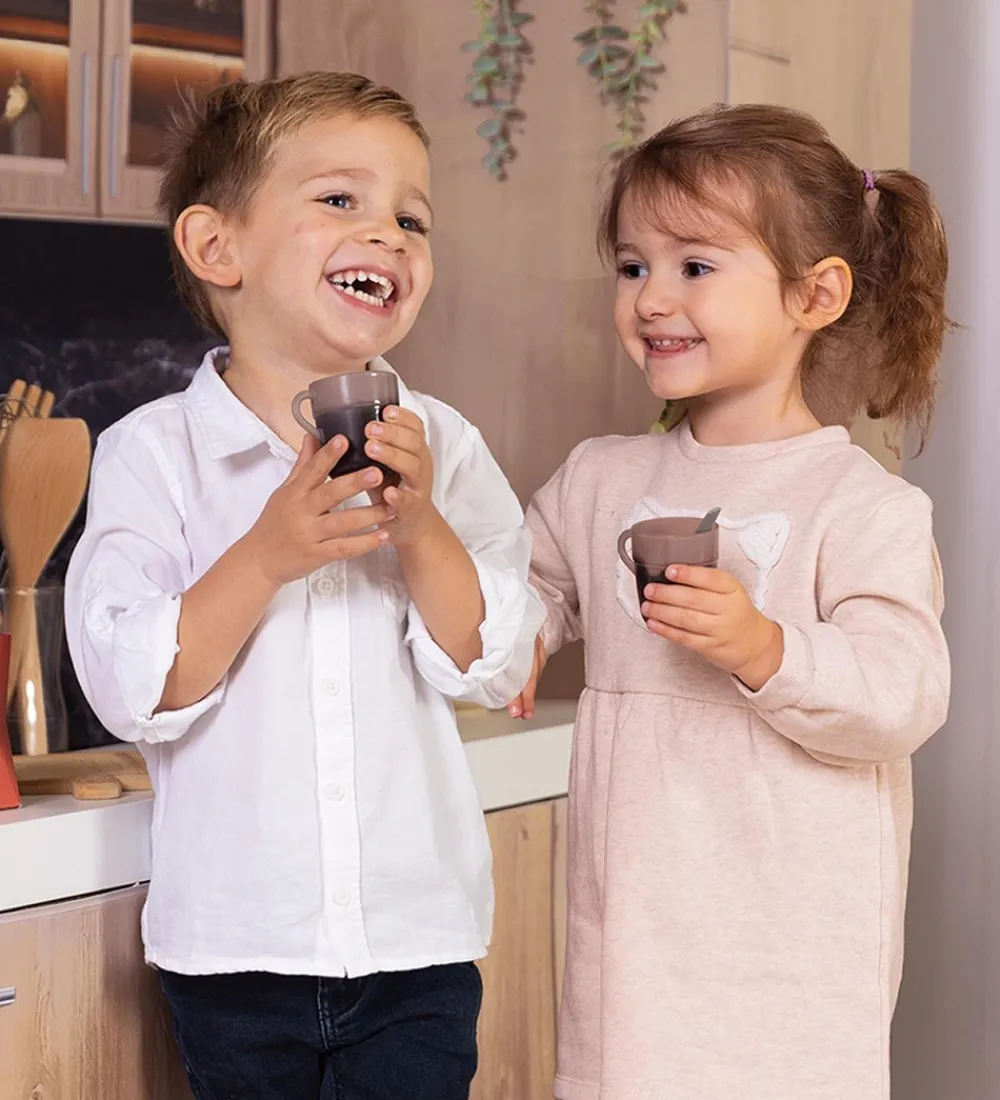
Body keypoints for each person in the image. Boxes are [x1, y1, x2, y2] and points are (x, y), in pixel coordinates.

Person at [65, 71, 544, 1100]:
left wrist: (421, 529)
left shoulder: (446, 444)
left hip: (417, 941)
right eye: (339, 198)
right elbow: (128, 685)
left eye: (411, 218)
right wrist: (266, 554)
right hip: (234, 947)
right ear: (216, 247)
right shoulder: (151, 454)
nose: (387, 233)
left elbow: (496, 659)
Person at [508, 103, 951, 1100]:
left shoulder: (862, 505)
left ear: (814, 294)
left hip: (791, 966)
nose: (652, 298)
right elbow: (521, 596)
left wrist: (762, 646)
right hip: (631, 957)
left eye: (695, 265)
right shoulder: (600, 479)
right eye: (633, 266)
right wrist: (509, 632)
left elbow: (904, 694)